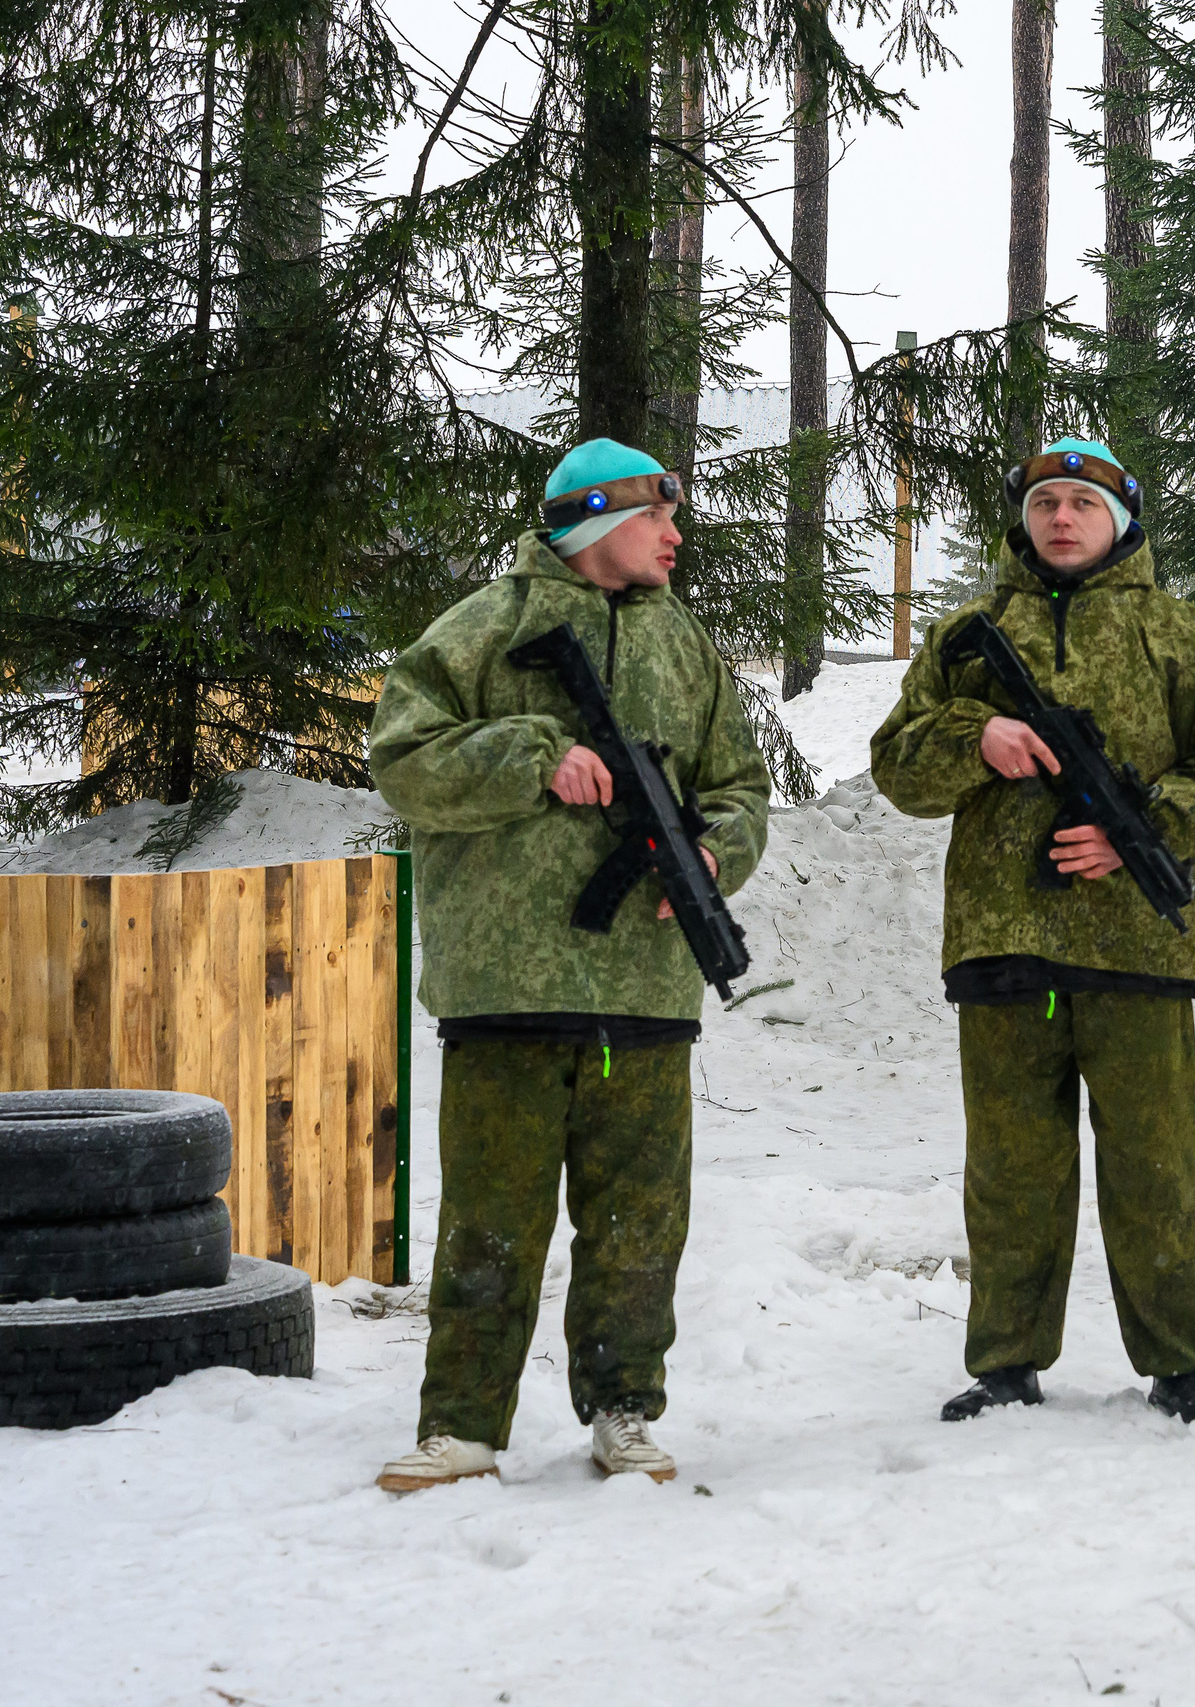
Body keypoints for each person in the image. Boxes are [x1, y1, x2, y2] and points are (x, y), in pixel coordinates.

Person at [368, 439, 771, 1492]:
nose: (676, 537)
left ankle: (624, 1410)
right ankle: (461, 1427)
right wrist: (536, 757)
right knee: (490, 1222)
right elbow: (402, 761)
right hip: (505, 985)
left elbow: (741, 784)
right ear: (598, 523)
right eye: (657, 518)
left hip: (645, 987)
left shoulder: (684, 646)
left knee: (640, 1226)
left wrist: (717, 850)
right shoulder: (483, 628)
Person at [871, 438, 1195, 1429]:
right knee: (1012, 1171)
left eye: (1083, 504)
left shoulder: (1177, 632)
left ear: (1120, 521)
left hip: (1138, 945)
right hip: (1003, 937)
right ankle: (1006, 1361)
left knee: (1155, 1166)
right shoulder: (968, 634)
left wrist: (1145, 833)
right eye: (1045, 501)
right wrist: (978, 737)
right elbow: (898, 766)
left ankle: (1180, 1365)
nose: (1061, 518)